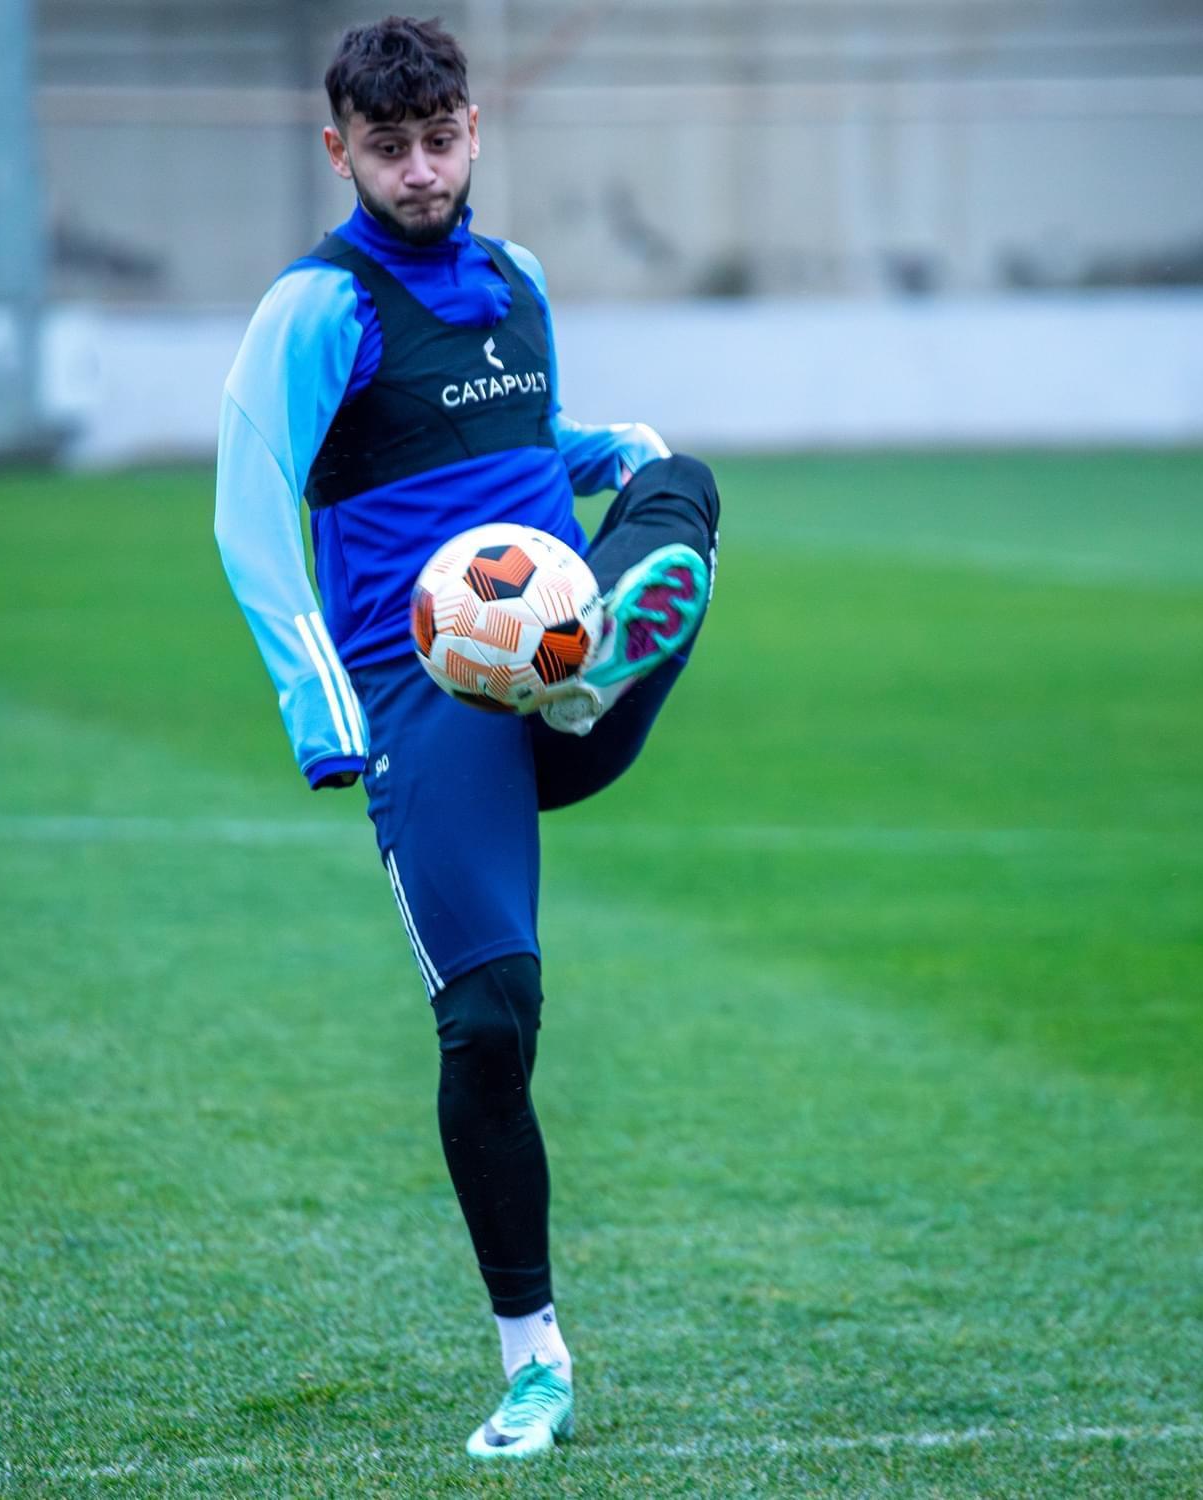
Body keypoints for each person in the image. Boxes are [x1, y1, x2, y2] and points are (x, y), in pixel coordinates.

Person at [214, 14, 720, 1462]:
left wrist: (610, 453)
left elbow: (508, 443)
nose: (422, 171)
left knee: (683, 480)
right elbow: (249, 513)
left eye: (441, 141)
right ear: (341, 152)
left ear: (476, 131)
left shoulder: (520, 281)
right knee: (492, 1019)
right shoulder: (317, 310)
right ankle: (534, 1361)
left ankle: (589, 662)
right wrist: (324, 712)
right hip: (428, 701)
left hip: (552, 665)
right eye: (391, 149)